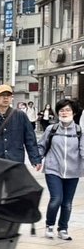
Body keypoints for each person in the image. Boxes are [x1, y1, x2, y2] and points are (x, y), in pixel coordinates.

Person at [38, 98, 83, 240]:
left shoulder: (79, 131)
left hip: (73, 171)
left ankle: (63, 229)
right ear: (58, 113)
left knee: (67, 203)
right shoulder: (51, 129)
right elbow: (41, 146)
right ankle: (49, 225)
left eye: (68, 110)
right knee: (56, 199)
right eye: (62, 110)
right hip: (53, 169)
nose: (64, 112)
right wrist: (38, 159)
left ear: (74, 113)